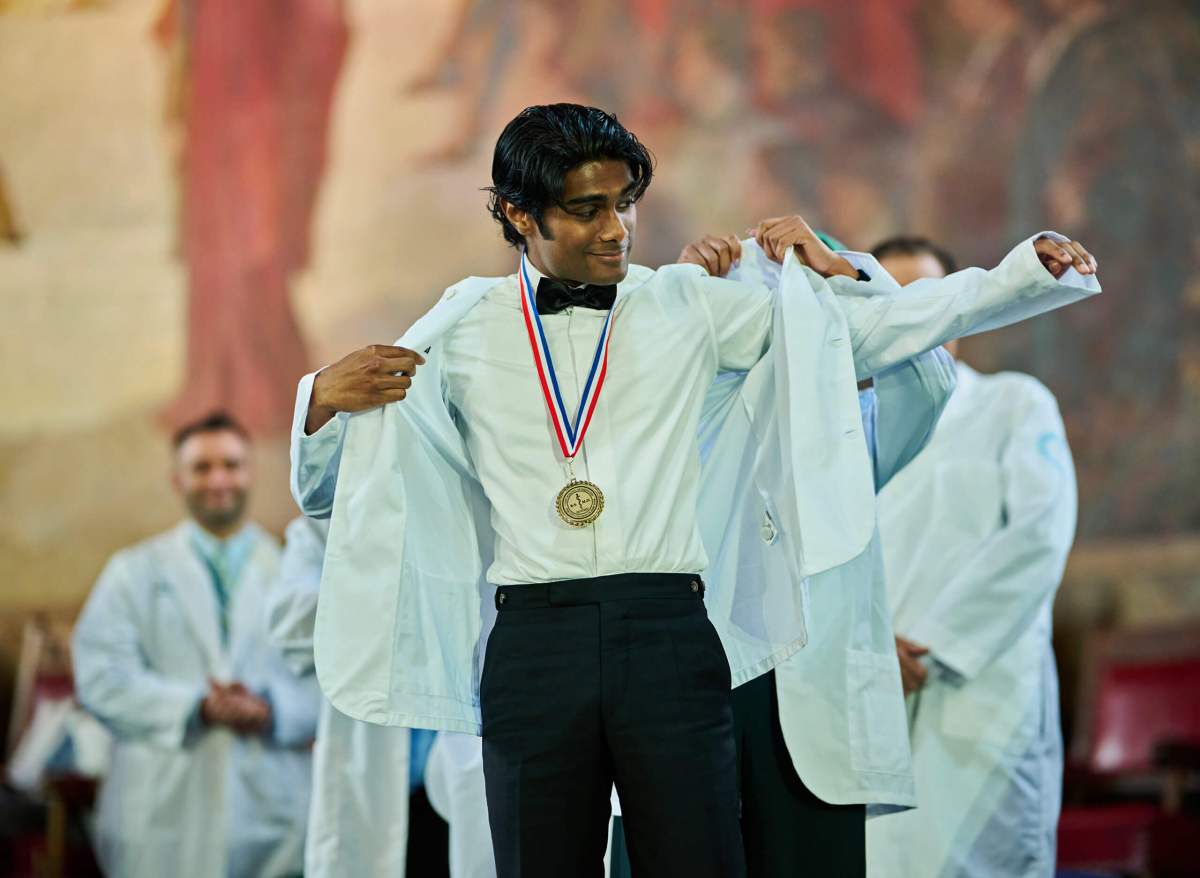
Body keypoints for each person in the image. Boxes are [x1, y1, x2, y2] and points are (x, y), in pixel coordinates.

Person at [291, 104, 1098, 878]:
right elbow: (344, 491)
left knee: (699, 864)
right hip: (533, 641)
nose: (617, 229)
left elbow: (863, 336)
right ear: (517, 213)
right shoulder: (459, 327)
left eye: (627, 204)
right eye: (587, 209)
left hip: (670, 631)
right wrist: (321, 400)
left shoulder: (686, 306)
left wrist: (1017, 276)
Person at [865, 236, 1077, 877]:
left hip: (979, 686)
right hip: (876, 682)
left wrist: (933, 641)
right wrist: (872, 646)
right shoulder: (848, 423)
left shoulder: (1014, 403)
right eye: (892, 299)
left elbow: (1038, 538)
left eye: (931, 296)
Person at [72, 413, 320, 878]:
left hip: (272, 813)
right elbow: (101, 678)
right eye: (202, 468)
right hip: (162, 810)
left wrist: (272, 710)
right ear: (177, 479)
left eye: (231, 464)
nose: (218, 479)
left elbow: (329, 681)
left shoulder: (294, 572)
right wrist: (196, 706)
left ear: (251, 473)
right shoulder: (133, 572)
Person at [266, 515, 460, 878]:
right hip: (377, 784)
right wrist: (403, 594)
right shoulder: (328, 520)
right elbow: (289, 626)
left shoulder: (475, 501)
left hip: (465, 781)